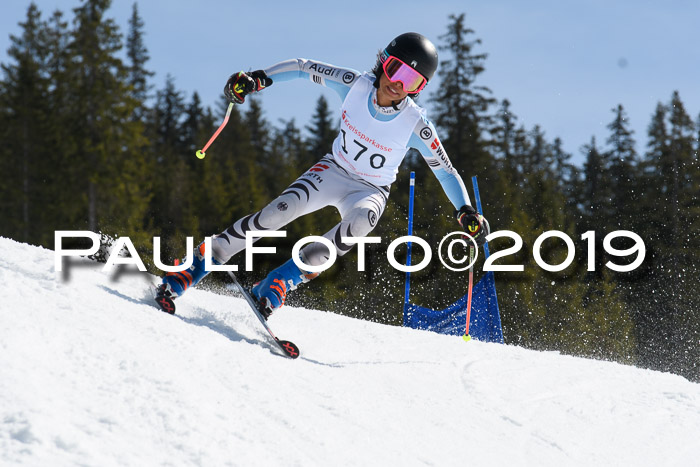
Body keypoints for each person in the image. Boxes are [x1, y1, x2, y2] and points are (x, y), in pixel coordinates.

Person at [155, 32, 490, 317]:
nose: (397, 84)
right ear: (383, 61)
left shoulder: (415, 124)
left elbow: (446, 172)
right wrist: (258, 78)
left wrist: (465, 210)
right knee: (276, 214)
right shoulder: (354, 85)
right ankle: (203, 259)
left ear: (419, 88)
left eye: (411, 81)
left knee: (359, 225)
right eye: (394, 70)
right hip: (334, 170)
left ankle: (280, 280)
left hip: (370, 190)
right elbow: (303, 68)